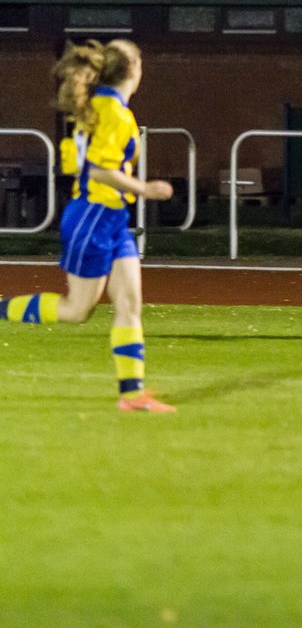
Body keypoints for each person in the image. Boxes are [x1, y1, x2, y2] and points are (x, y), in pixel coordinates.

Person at [0, 39, 175, 412]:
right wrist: (145, 188)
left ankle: (132, 395)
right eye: (141, 63)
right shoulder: (113, 112)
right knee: (78, 311)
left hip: (111, 219)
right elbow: (99, 170)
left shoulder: (101, 107)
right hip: (93, 217)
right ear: (133, 71)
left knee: (130, 304)